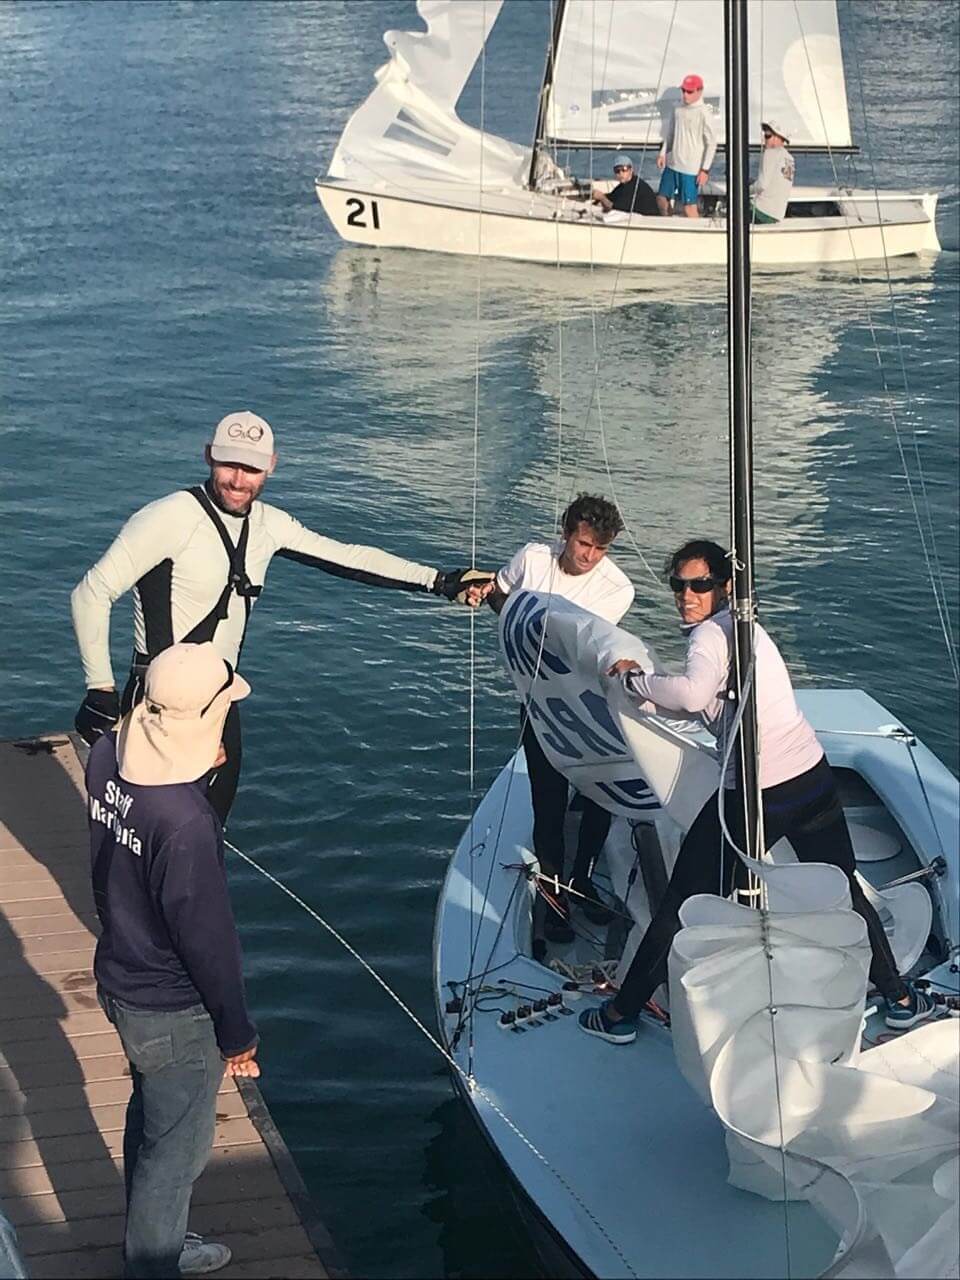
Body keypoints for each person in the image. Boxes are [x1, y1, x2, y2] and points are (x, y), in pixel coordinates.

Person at [578, 538, 937, 1045]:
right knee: (845, 891)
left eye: (699, 585)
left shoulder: (708, 635)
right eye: (679, 585)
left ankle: (620, 1015)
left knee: (681, 905)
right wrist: (663, 703)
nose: (686, 594)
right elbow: (719, 705)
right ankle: (901, 1000)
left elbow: (694, 692)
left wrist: (638, 684)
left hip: (756, 794)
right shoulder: (745, 629)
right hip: (811, 780)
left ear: (724, 587)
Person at [72, 410, 492, 822]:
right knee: (142, 835)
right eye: (229, 464)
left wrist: (441, 581)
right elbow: (91, 592)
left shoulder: (270, 525)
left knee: (208, 831)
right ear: (208, 456)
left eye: (251, 468)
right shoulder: (167, 517)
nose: (238, 480)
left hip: (220, 702)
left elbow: (349, 558)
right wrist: (100, 692)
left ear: (271, 466)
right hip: (156, 702)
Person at [87, 642, 260, 1277]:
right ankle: (154, 1261)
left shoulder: (106, 756)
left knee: (149, 1121)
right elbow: (208, 942)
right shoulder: (187, 825)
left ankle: (154, 1239)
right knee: (176, 1153)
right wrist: (236, 1033)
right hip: (172, 1009)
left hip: (120, 977)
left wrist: (194, 768)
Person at [478, 495, 635, 955]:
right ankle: (555, 899)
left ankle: (583, 881)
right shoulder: (532, 557)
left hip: (590, 705)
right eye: (583, 543)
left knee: (597, 796)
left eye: (599, 549)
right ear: (566, 532)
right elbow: (501, 595)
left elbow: (581, 646)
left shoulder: (617, 588)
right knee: (547, 803)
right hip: (538, 702)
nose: (588, 556)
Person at [656, 74, 717, 219]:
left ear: (699, 91)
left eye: (689, 91)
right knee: (661, 199)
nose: (685, 94)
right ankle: (670, 227)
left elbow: (712, 143)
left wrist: (705, 170)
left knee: (689, 207)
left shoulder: (704, 113)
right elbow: (670, 134)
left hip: (691, 169)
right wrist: (663, 153)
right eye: (683, 90)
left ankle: (699, 237)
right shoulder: (677, 108)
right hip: (672, 164)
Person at [751, 120, 795, 224]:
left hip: (760, 211)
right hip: (777, 215)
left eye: (767, 136)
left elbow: (762, 185)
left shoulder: (770, 152)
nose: (764, 139)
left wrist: (744, 190)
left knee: (731, 208)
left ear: (778, 138)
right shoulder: (790, 159)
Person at [592, 154, 659, 217]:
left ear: (631, 170)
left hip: (648, 221)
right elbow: (612, 196)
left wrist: (602, 198)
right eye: (617, 171)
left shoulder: (635, 186)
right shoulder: (623, 186)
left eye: (624, 169)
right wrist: (597, 198)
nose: (621, 173)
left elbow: (616, 207)